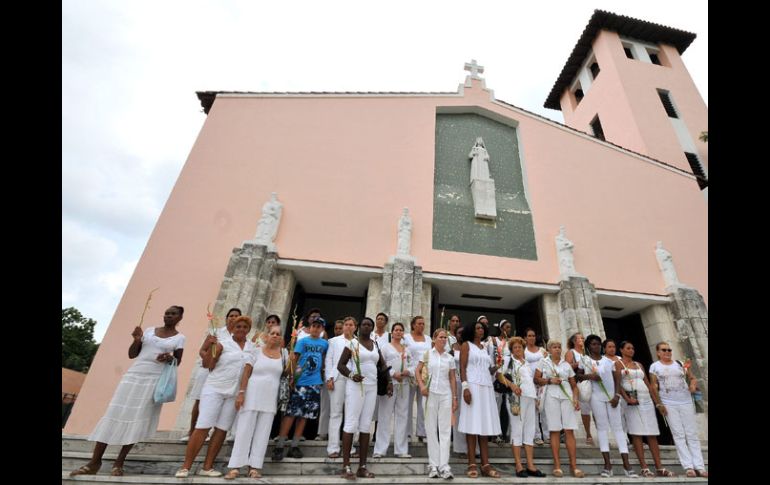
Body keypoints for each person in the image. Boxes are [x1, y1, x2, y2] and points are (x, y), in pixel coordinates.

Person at [69, 306, 186, 477]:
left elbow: (178, 361)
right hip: (133, 376)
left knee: (137, 419)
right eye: (167, 312)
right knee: (114, 413)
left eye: (173, 314)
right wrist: (137, 340)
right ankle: (95, 462)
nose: (169, 315)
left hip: (153, 381)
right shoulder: (148, 331)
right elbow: (132, 354)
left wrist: (169, 357)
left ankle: (119, 463)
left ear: (180, 317)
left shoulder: (180, 338)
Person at [175, 315, 256, 477]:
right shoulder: (222, 344)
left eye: (244, 327)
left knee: (221, 429)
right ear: (232, 328)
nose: (241, 329)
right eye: (238, 326)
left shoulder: (251, 347)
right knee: (203, 426)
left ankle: (207, 467)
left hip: (233, 394)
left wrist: (241, 393)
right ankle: (186, 466)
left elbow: (248, 372)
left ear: (248, 329)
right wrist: (209, 349)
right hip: (214, 388)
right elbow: (207, 365)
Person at [224, 323, 286, 479]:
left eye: (278, 334)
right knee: (244, 430)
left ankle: (255, 467)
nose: (275, 336)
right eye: (272, 333)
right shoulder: (255, 351)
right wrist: (241, 393)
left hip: (270, 398)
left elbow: (286, 376)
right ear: (267, 335)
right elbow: (246, 373)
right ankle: (235, 466)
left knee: (263, 433)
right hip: (251, 395)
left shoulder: (284, 355)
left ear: (281, 338)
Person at [337, 317, 393, 479]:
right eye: (364, 324)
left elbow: (382, 365)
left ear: (372, 328)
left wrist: (389, 381)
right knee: (351, 423)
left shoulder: (375, 344)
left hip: (372, 387)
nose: (367, 327)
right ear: (359, 327)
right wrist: (351, 375)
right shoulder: (352, 344)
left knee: (366, 425)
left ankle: (362, 466)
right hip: (355, 387)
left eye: (370, 325)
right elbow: (341, 365)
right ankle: (346, 467)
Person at [577, 335, 636, 478]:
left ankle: (627, 465)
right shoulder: (584, 360)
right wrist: (590, 376)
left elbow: (617, 378)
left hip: (611, 397)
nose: (596, 346)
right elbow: (578, 376)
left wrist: (617, 396)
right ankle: (607, 465)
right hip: (596, 398)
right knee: (602, 429)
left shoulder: (609, 361)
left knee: (618, 428)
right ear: (588, 346)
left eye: (597, 344)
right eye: (592, 344)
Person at [273, 317, 329, 460]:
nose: (316, 329)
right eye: (314, 326)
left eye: (319, 326)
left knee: (304, 415)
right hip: (300, 381)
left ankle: (294, 445)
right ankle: (280, 445)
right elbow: (294, 359)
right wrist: (292, 377)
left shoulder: (324, 344)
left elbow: (325, 359)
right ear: (310, 327)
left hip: (315, 382)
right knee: (291, 413)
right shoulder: (302, 341)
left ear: (322, 329)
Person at [649, 342, 708, 478]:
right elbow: (653, 386)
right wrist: (659, 404)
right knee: (678, 434)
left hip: (686, 401)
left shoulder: (680, 364)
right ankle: (688, 467)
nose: (667, 352)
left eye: (669, 349)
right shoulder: (655, 367)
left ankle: (699, 466)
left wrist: (693, 385)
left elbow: (692, 378)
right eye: (664, 350)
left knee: (692, 433)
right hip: (668, 402)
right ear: (658, 352)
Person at [183, 308, 242, 441]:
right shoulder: (216, 332)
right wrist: (211, 359)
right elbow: (202, 351)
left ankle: (210, 432)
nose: (233, 318)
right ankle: (192, 432)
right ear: (226, 318)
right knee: (199, 400)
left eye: (236, 316)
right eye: (231, 316)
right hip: (207, 371)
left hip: (223, 375)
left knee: (220, 404)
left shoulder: (240, 337)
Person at [616, 341, 672, 478]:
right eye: (628, 348)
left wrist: (658, 403)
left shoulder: (639, 364)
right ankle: (644, 467)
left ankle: (659, 467)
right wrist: (627, 399)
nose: (631, 350)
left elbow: (649, 384)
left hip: (646, 400)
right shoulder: (618, 364)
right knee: (637, 433)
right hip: (632, 401)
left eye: (633, 348)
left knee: (651, 433)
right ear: (621, 350)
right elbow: (618, 384)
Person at [498, 336, 546, 478]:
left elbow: (529, 382)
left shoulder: (525, 363)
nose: (517, 349)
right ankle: (519, 465)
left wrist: (536, 398)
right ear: (511, 350)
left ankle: (530, 465)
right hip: (515, 399)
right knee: (517, 430)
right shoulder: (508, 360)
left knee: (530, 430)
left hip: (530, 398)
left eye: (519, 347)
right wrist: (512, 386)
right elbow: (499, 375)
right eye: (515, 348)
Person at [458, 321, 501, 478]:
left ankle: (486, 464)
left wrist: (496, 367)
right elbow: (462, 367)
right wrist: (465, 388)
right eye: (477, 327)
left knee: (484, 426)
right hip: (472, 387)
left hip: (486, 388)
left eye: (482, 328)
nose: (480, 330)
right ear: (471, 330)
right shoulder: (466, 345)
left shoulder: (484, 348)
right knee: (472, 426)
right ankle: (472, 463)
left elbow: (487, 370)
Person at [534, 339, 582, 478]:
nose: (557, 349)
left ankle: (574, 467)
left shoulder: (566, 364)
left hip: (566, 397)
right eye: (554, 347)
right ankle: (557, 466)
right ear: (549, 349)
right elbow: (536, 379)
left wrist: (575, 398)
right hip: (551, 396)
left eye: (559, 347)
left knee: (569, 430)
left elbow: (574, 385)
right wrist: (549, 380)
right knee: (554, 430)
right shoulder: (543, 362)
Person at [416, 328, 458, 479]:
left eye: (445, 338)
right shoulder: (427, 354)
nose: (443, 340)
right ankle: (433, 465)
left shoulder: (449, 358)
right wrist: (421, 386)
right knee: (431, 430)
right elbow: (418, 371)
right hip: (430, 394)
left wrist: (454, 398)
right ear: (434, 339)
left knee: (445, 430)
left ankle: (444, 466)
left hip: (446, 394)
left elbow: (452, 378)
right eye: (440, 337)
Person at [374, 322, 412, 458]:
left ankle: (401, 450)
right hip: (389, 384)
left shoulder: (407, 349)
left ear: (403, 333)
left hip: (404, 384)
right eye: (396, 330)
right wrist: (392, 374)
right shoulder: (385, 347)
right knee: (384, 415)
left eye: (401, 330)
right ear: (392, 332)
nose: (398, 332)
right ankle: (380, 450)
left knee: (402, 416)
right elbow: (381, 365)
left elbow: (413, 365)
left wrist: (408, 371)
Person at [324, 317, 358, 458]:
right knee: (335, 413)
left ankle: (349, 447)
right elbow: (329, 359)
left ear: (355, 327)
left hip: (353, 380)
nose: (348, 327)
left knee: (351, 414)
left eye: (351, 325)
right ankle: (333, 448)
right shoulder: (333, 341)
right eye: (346, 324)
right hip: (337, 378)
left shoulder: (358, 342)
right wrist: (329, 378)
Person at [403, 316, 431, 442]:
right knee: (407, 403)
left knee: (423, 404)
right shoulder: (406, 338)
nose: (421, 326)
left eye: (423, 324)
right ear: (413, 325)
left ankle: (422, 432)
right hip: (411, 373)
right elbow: (404, 355)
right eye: (419, 323)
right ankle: (407, 432)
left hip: (424, 375)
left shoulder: (429, 339)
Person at [565, 332, 593, 445]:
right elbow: (566, 367)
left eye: (583, 338)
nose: (582, 339)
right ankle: (588, 434)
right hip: (580, 383)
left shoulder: (588, 352)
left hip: (591, 381)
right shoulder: (571, 352)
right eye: (580, 338)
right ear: (574, 341)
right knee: (585, 409)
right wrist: (579, 363)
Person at [523, 327, 548, 445]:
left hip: (542, 382)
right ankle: (536, 436)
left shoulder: (542, 350)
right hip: (529, 383)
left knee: (544, 409)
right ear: (525, 338)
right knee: (533, 409)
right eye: (529, 336)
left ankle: (547, 435)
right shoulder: (523, 351)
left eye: (533, 335)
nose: (532, 338)